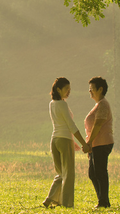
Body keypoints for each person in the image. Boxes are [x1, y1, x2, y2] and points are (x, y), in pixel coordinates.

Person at [43, 77, 90, 209]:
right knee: (68, 174)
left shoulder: (52, 103)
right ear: (58, 89)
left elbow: (62, 125)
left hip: (55, 140)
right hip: (64, 140)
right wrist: (83, 143)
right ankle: (67, 203)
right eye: (66, 89)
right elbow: (71, 126)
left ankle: (51, 199)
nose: (69, 92)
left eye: (70, 89)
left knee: (61, 173)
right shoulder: (62, 104)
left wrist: (73, 141)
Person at [84, 76, 114, 209]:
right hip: (95, 144)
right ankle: (102, 199)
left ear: (100, 89)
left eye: (92, 89)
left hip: (101, 143)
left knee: (100, 171)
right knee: (92, 173)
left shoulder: (103, 104)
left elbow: (98, 125)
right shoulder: (98, 105)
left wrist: (89, 142)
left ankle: (103, 201)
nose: (89, 91)